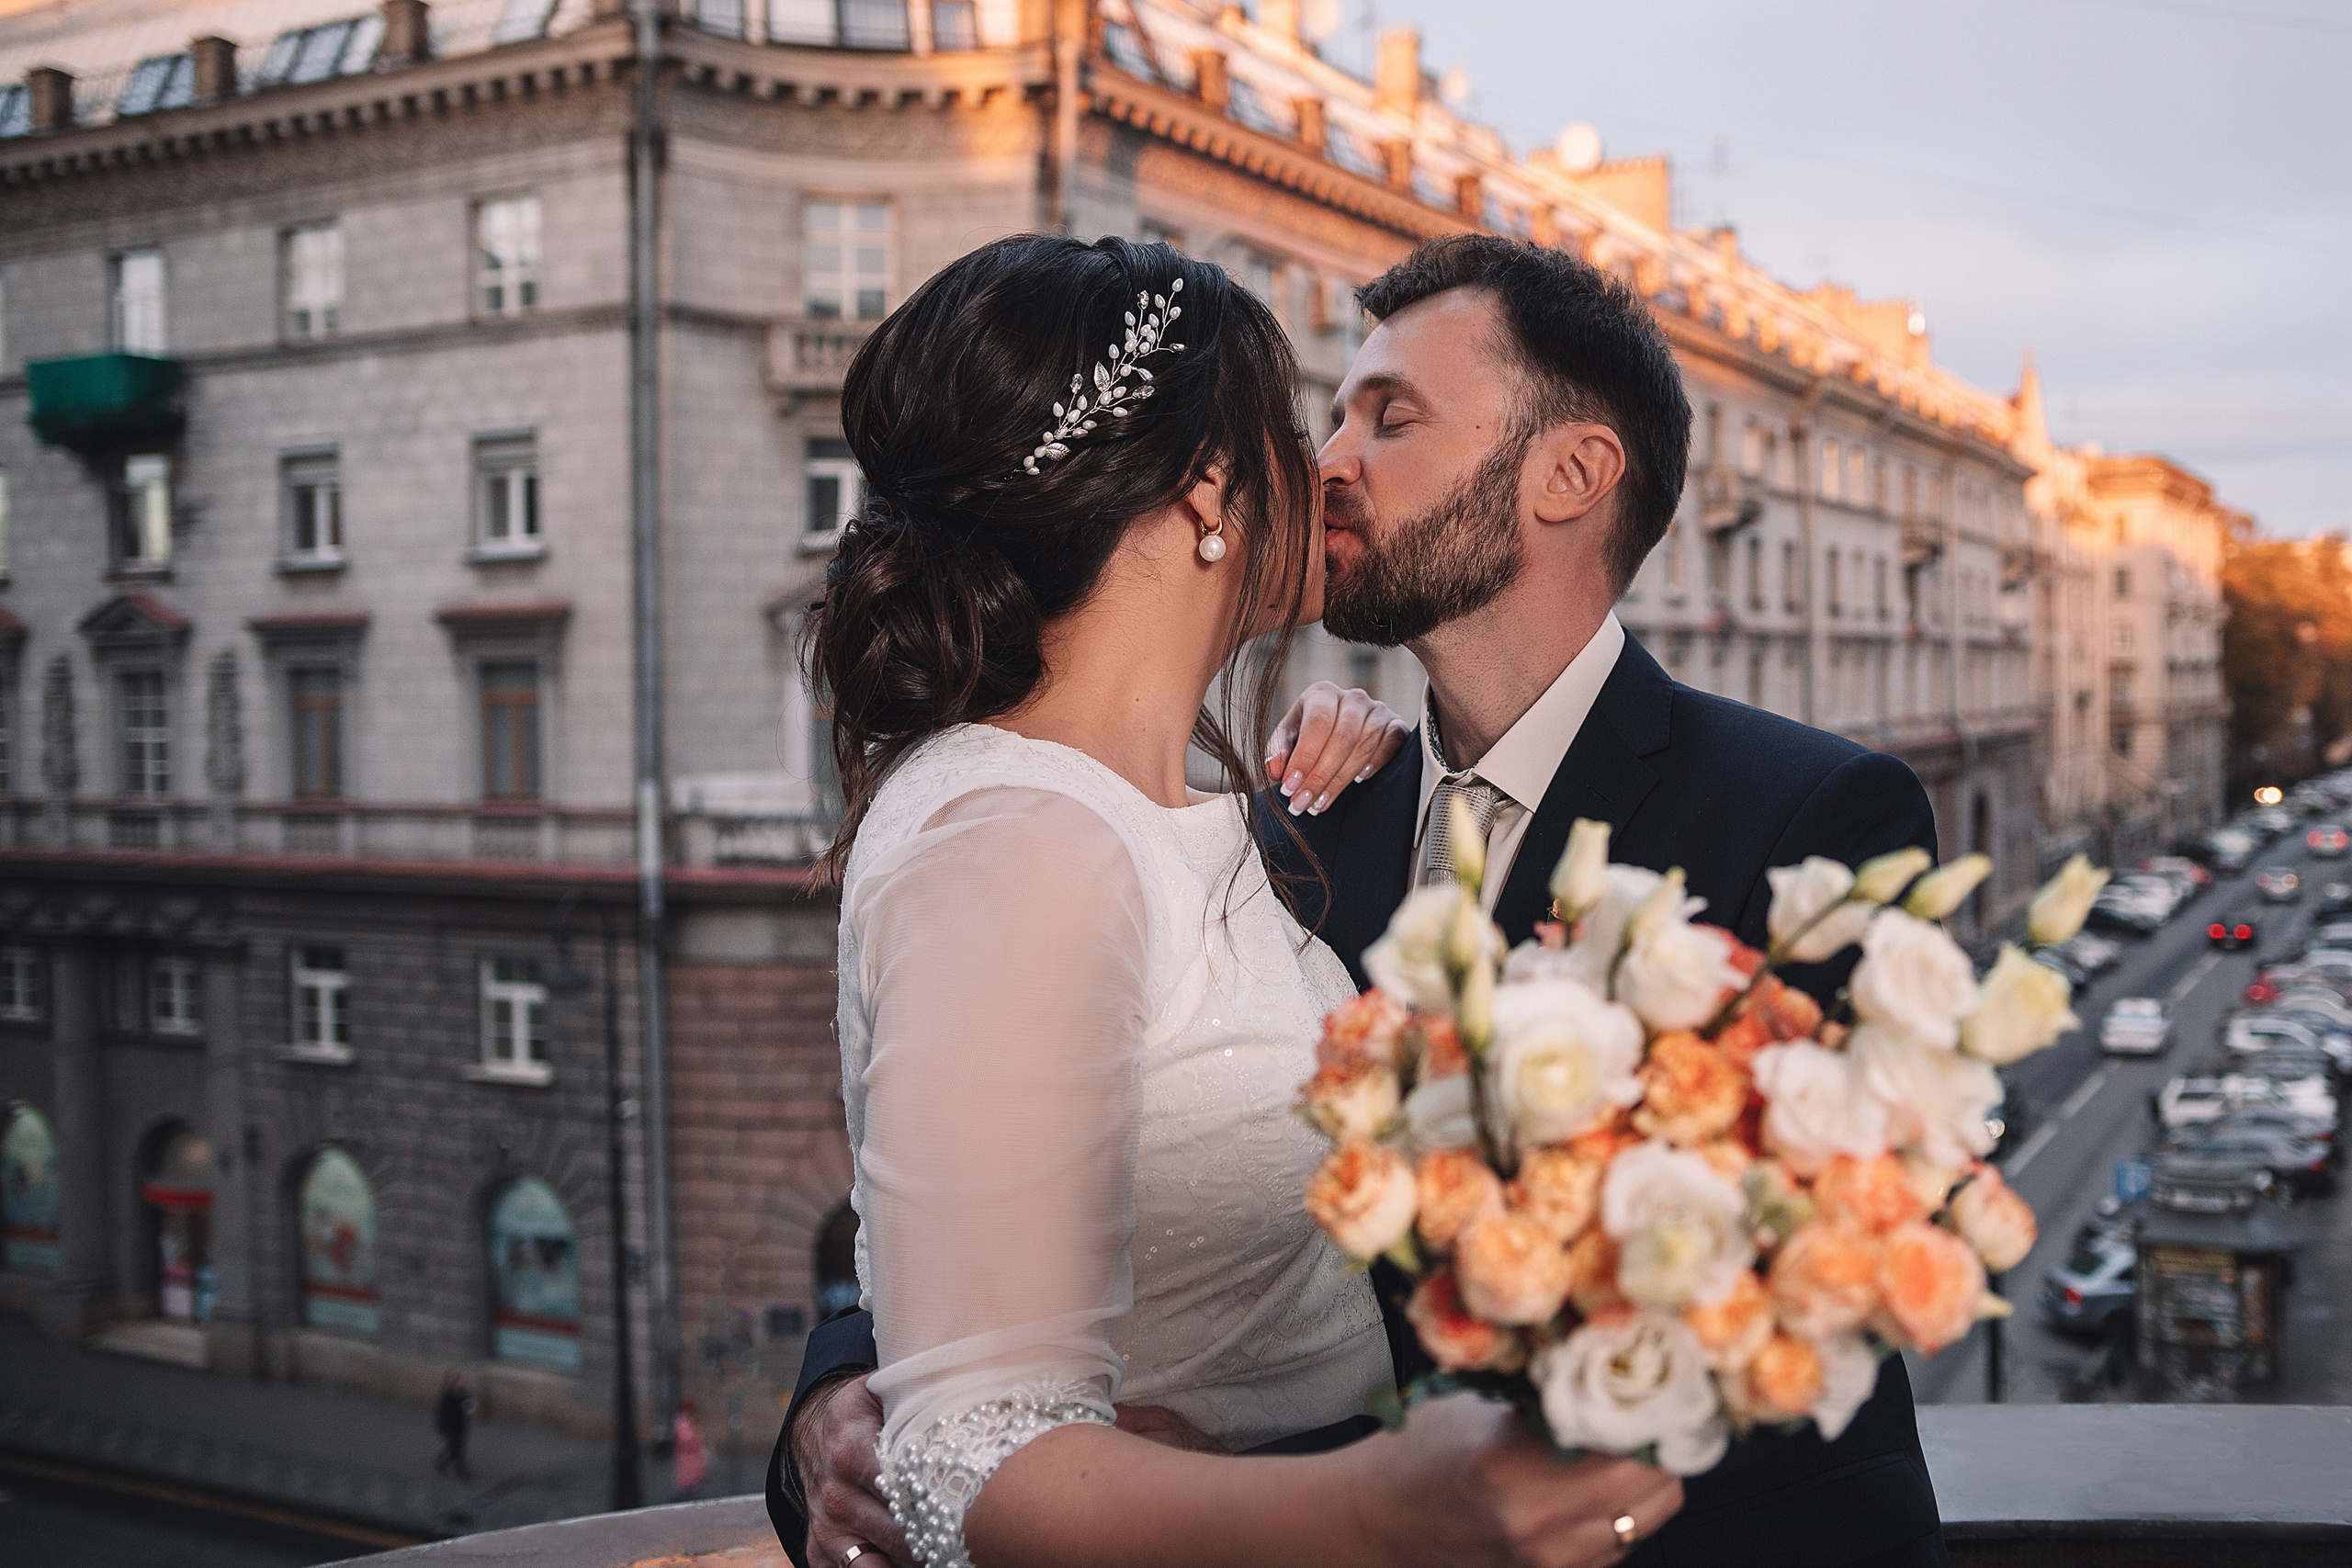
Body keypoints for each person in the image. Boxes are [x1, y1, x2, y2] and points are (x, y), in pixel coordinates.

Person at [775, 233, 1951, 1568]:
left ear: (1571, 473)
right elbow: (1026, 1194)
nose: (1330, 461)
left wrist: (1260, 1472)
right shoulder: (1296, 818)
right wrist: (843, 1394)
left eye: (1387, 415)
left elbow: (1795, 1312)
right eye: (1321, 414)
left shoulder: (1808, 821)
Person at [434, 1370, 473, 1483]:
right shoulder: (448, 1396)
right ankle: (461, 1472)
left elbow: (469, 1409)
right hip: (451, 1426)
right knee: (457, 1449)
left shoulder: (464, 1394)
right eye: (458, 1382)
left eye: (462, 1381)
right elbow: (443, 1413)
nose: (461, 1383)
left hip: (461, 1426)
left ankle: (441, 1464)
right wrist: (443, 1426)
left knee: (455, 1448)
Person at [674, 1396, 713, 1502]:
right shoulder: (683, 1424)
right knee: (689, 1495)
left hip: (696, 1468)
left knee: (696, 1494)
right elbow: (689, 1441)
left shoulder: (688, 1423)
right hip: (689, 1468)